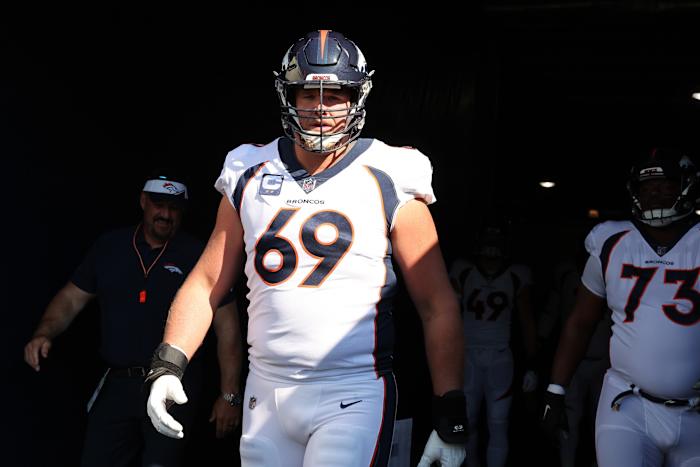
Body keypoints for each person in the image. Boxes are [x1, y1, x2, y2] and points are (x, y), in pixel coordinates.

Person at [143, 30, 468, 467]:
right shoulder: (247, 168)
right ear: (287, 96)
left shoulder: (391, 171)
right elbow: (206, 283)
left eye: (335, 93)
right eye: (307, 92)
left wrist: (450, 408)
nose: (320, 107)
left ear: (358, 97)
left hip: (352, 390)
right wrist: (169, 361)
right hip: (265, 390)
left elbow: (436, 303)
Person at [23, 172, 243, 467]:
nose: (165, 214)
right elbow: (71, 298)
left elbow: (227, 326)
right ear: (143, 202)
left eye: (174, 208)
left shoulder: (198, 254)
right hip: (117, 381)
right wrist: (43, 333)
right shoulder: (110, 247)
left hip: (174, 384)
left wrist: (229, 396)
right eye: (158, 204)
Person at [541, 148, 700, 467]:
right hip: (627, 405)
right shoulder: (610, 240)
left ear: (685, 185)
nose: (654, 192)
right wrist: (555, 390)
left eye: (666, 184)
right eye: (646, 185)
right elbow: (581, 322)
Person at [449, 221, 538, 467]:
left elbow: (527, 320)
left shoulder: (511, 274)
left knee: (494, 424)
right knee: (475, 423)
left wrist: (532, 363)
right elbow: (527, 322)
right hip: (478, 356)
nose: (490, 252)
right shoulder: (464, 270)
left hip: (492, 356)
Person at [538, 246, 611, 467]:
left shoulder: (613, 273)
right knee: (569, 420)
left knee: (605, 424)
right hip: (574, 364)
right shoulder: (567, 276)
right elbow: (552, 312)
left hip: (605, 363)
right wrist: (538, 345)